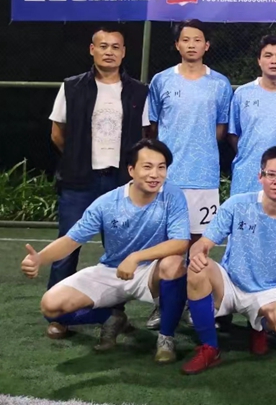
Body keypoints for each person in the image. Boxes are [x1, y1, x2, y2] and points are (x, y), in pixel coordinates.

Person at [20, 139, 190, 362]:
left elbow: (180, 242)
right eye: (147, 167)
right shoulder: (107, 203)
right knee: (50, 306)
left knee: (174, 263)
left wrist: (136, 257)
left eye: (161, 167)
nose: (155, 174)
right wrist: (40, 258)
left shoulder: (172, 195)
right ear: (131, 170)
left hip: (150, 272)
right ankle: (110, 317)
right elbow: (71, 240)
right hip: (111, 270)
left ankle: (166, 339)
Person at [46, 26, 150, 340]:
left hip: (120, 183)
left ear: (124, 52)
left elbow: (145, 136)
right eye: (103, 46)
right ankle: (60, 317)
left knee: (119, 251)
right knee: (67, 246)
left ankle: (115, 314)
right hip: (80, 181)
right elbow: (57, 134)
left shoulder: (138, 92)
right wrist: (78, 160)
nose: (109, 52)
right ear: (92, 49)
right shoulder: (71, 87)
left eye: (115, 47)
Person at [180, 146, 276, 375]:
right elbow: (203, 242)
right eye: (271, 174)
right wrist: (197, 253)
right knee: (197, 268)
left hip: (268, 292)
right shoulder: (238, 204)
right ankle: (209, 347)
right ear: (260, 176)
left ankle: (258, 327)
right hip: (230, 282)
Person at [147, 19, 232, 328]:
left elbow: (220, 130)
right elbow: (154, 127)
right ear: (177, 45)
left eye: (198, 39)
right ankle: (163, 306)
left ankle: (197, 305)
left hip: (204, 178)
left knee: (199, 246)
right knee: (168, 246)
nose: (192, 44)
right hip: (168, 179)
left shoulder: (220, 84)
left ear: (206, 45)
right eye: (186, 39)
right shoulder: (161, 81)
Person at [228, 35, 276, 196]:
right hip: (247, 176)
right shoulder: (242, 94)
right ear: (259, 60)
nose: (274, 61)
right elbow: (234, 135)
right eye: (268, 55)